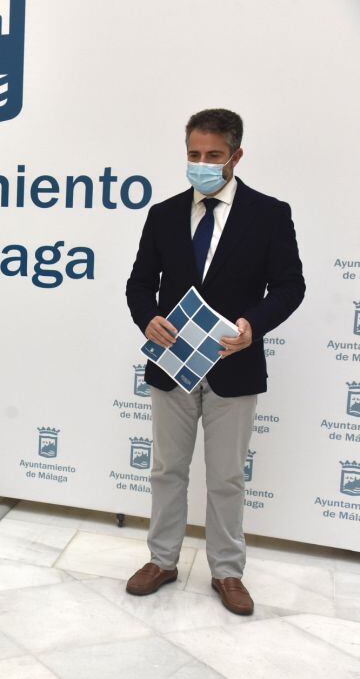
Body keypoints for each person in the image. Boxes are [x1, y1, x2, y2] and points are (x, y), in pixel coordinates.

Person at [125, 109, 305, 614]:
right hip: (173, 364)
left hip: (234, 365)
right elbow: (140, 283)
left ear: (236, 155)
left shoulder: (269, 214)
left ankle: (227, 571)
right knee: (166, 470)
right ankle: (162, 560)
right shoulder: (163, 214)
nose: (201, 164)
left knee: (226, 476)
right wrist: (148, 318)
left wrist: (253, 324)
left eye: (213, 156)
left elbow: (290, 286)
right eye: (193, 155)